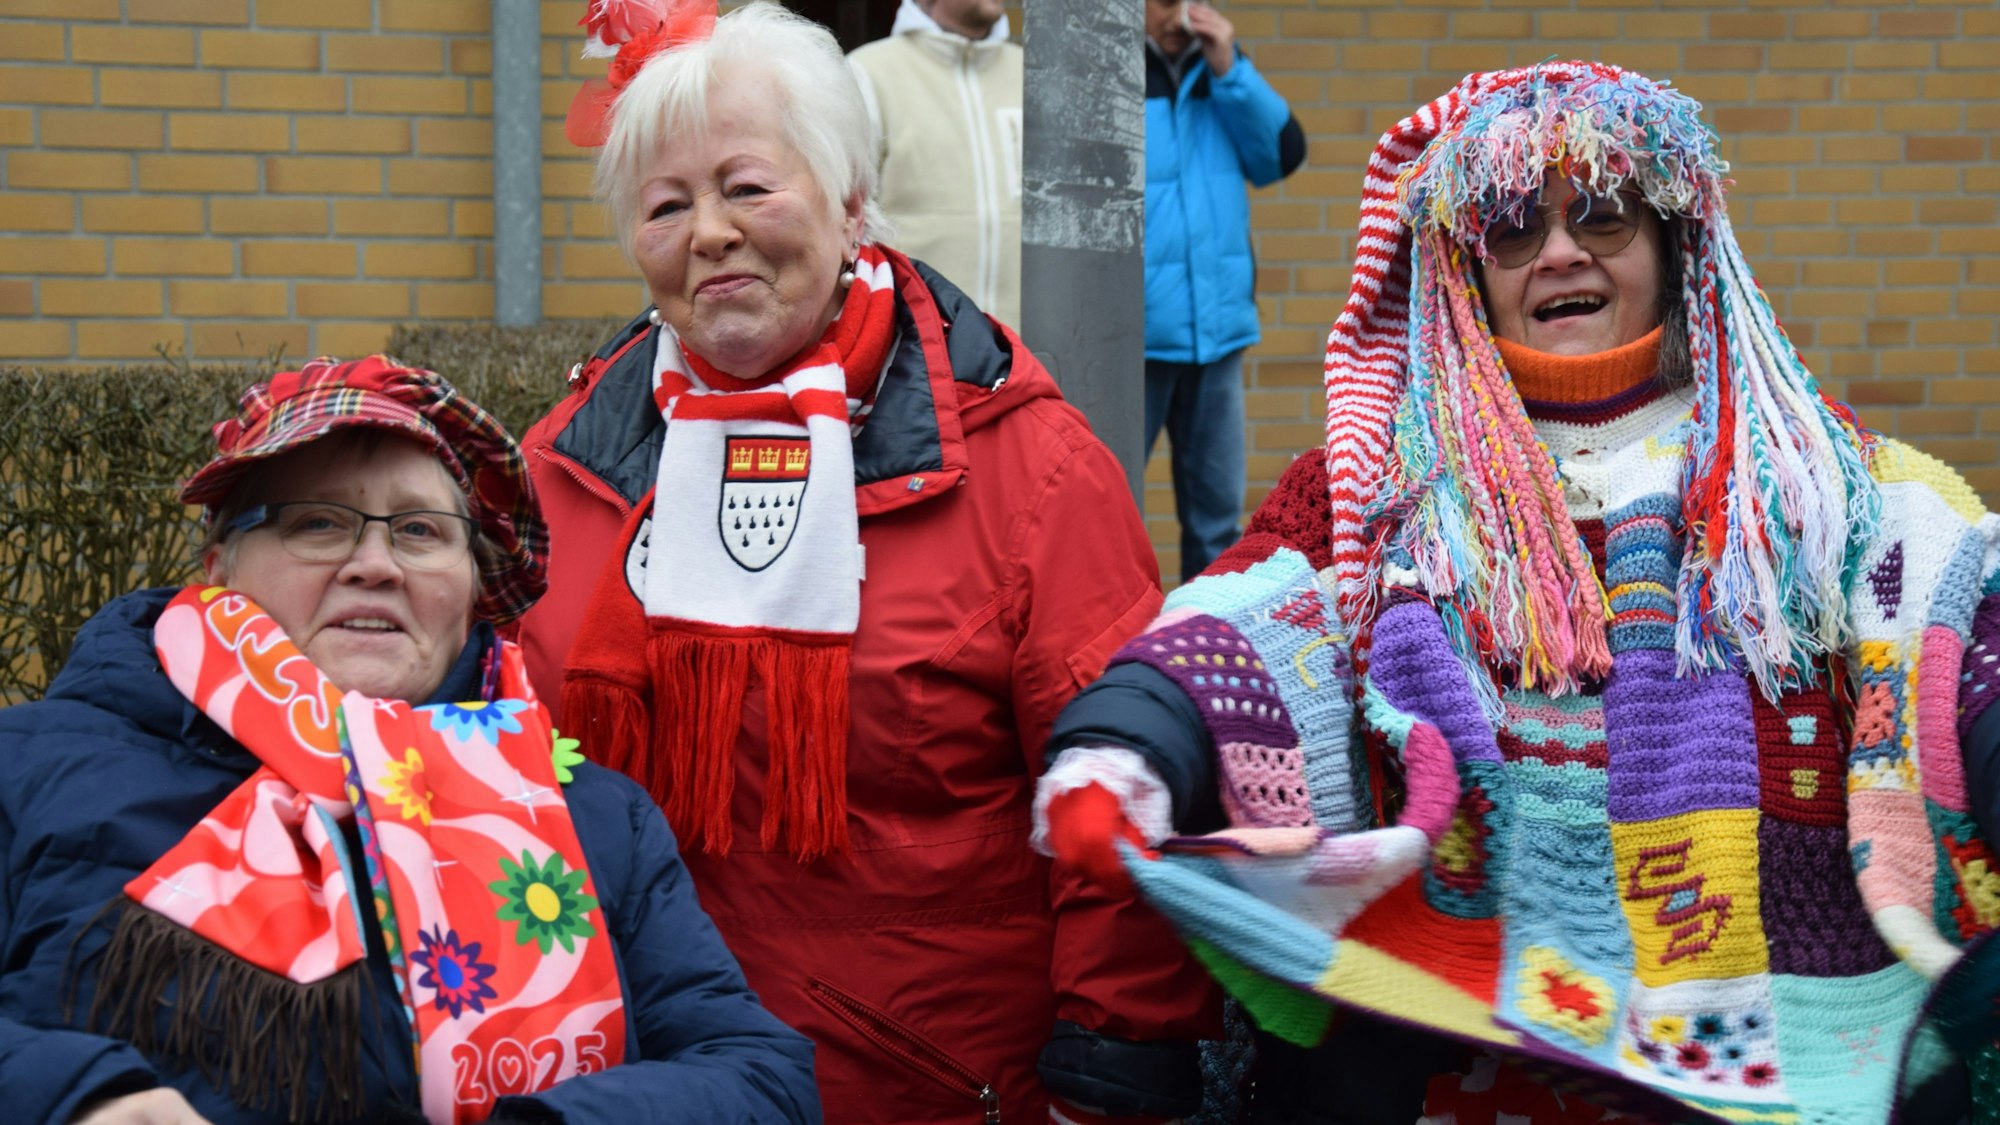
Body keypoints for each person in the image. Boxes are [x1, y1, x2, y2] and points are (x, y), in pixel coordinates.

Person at [1037, 62, 2000, 1123]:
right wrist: (1125, 749)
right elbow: (1238, 619)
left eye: (1600, 213)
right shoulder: (1370, 490)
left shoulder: (1814, 478)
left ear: (1672, 247)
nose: (1556, 251)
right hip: (1437, 1065)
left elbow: (1958, 620)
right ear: (1466, 272)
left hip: (1778, 1067)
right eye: (1506, 227)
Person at [530, 3, 1219, 1122]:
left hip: (931, 1087)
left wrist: (1110, 1081)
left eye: (746, 186)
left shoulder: (1026, 468)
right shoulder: (566, 468)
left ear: (852, 198)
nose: (708, 232)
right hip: (636, 1086)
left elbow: (1124, 816)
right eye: (664, 205)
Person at [0, 356, 819, 1125]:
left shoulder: (597, 818)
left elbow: (759, 1074)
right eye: (318, 523)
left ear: (471, 592)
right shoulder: (28, 763)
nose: (375, 563)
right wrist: (75, 1095)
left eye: (421, 532)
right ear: (219, 566)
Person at [1142, 0, 1305, 581]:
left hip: (1216, 330)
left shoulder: (1224, 74)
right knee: (1109, 505)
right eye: (1164, 1)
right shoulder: (1111, 76)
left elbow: (1282, 155)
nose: (1181, 14)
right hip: (1135, 337)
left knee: (1216, 521)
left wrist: (1229, 68)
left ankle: (1201, 648)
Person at [847, 0, 1022, 330]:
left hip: (1026, 353)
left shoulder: (1034, 77)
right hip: (918, 347)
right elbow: (847, 221)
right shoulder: (868, 73)